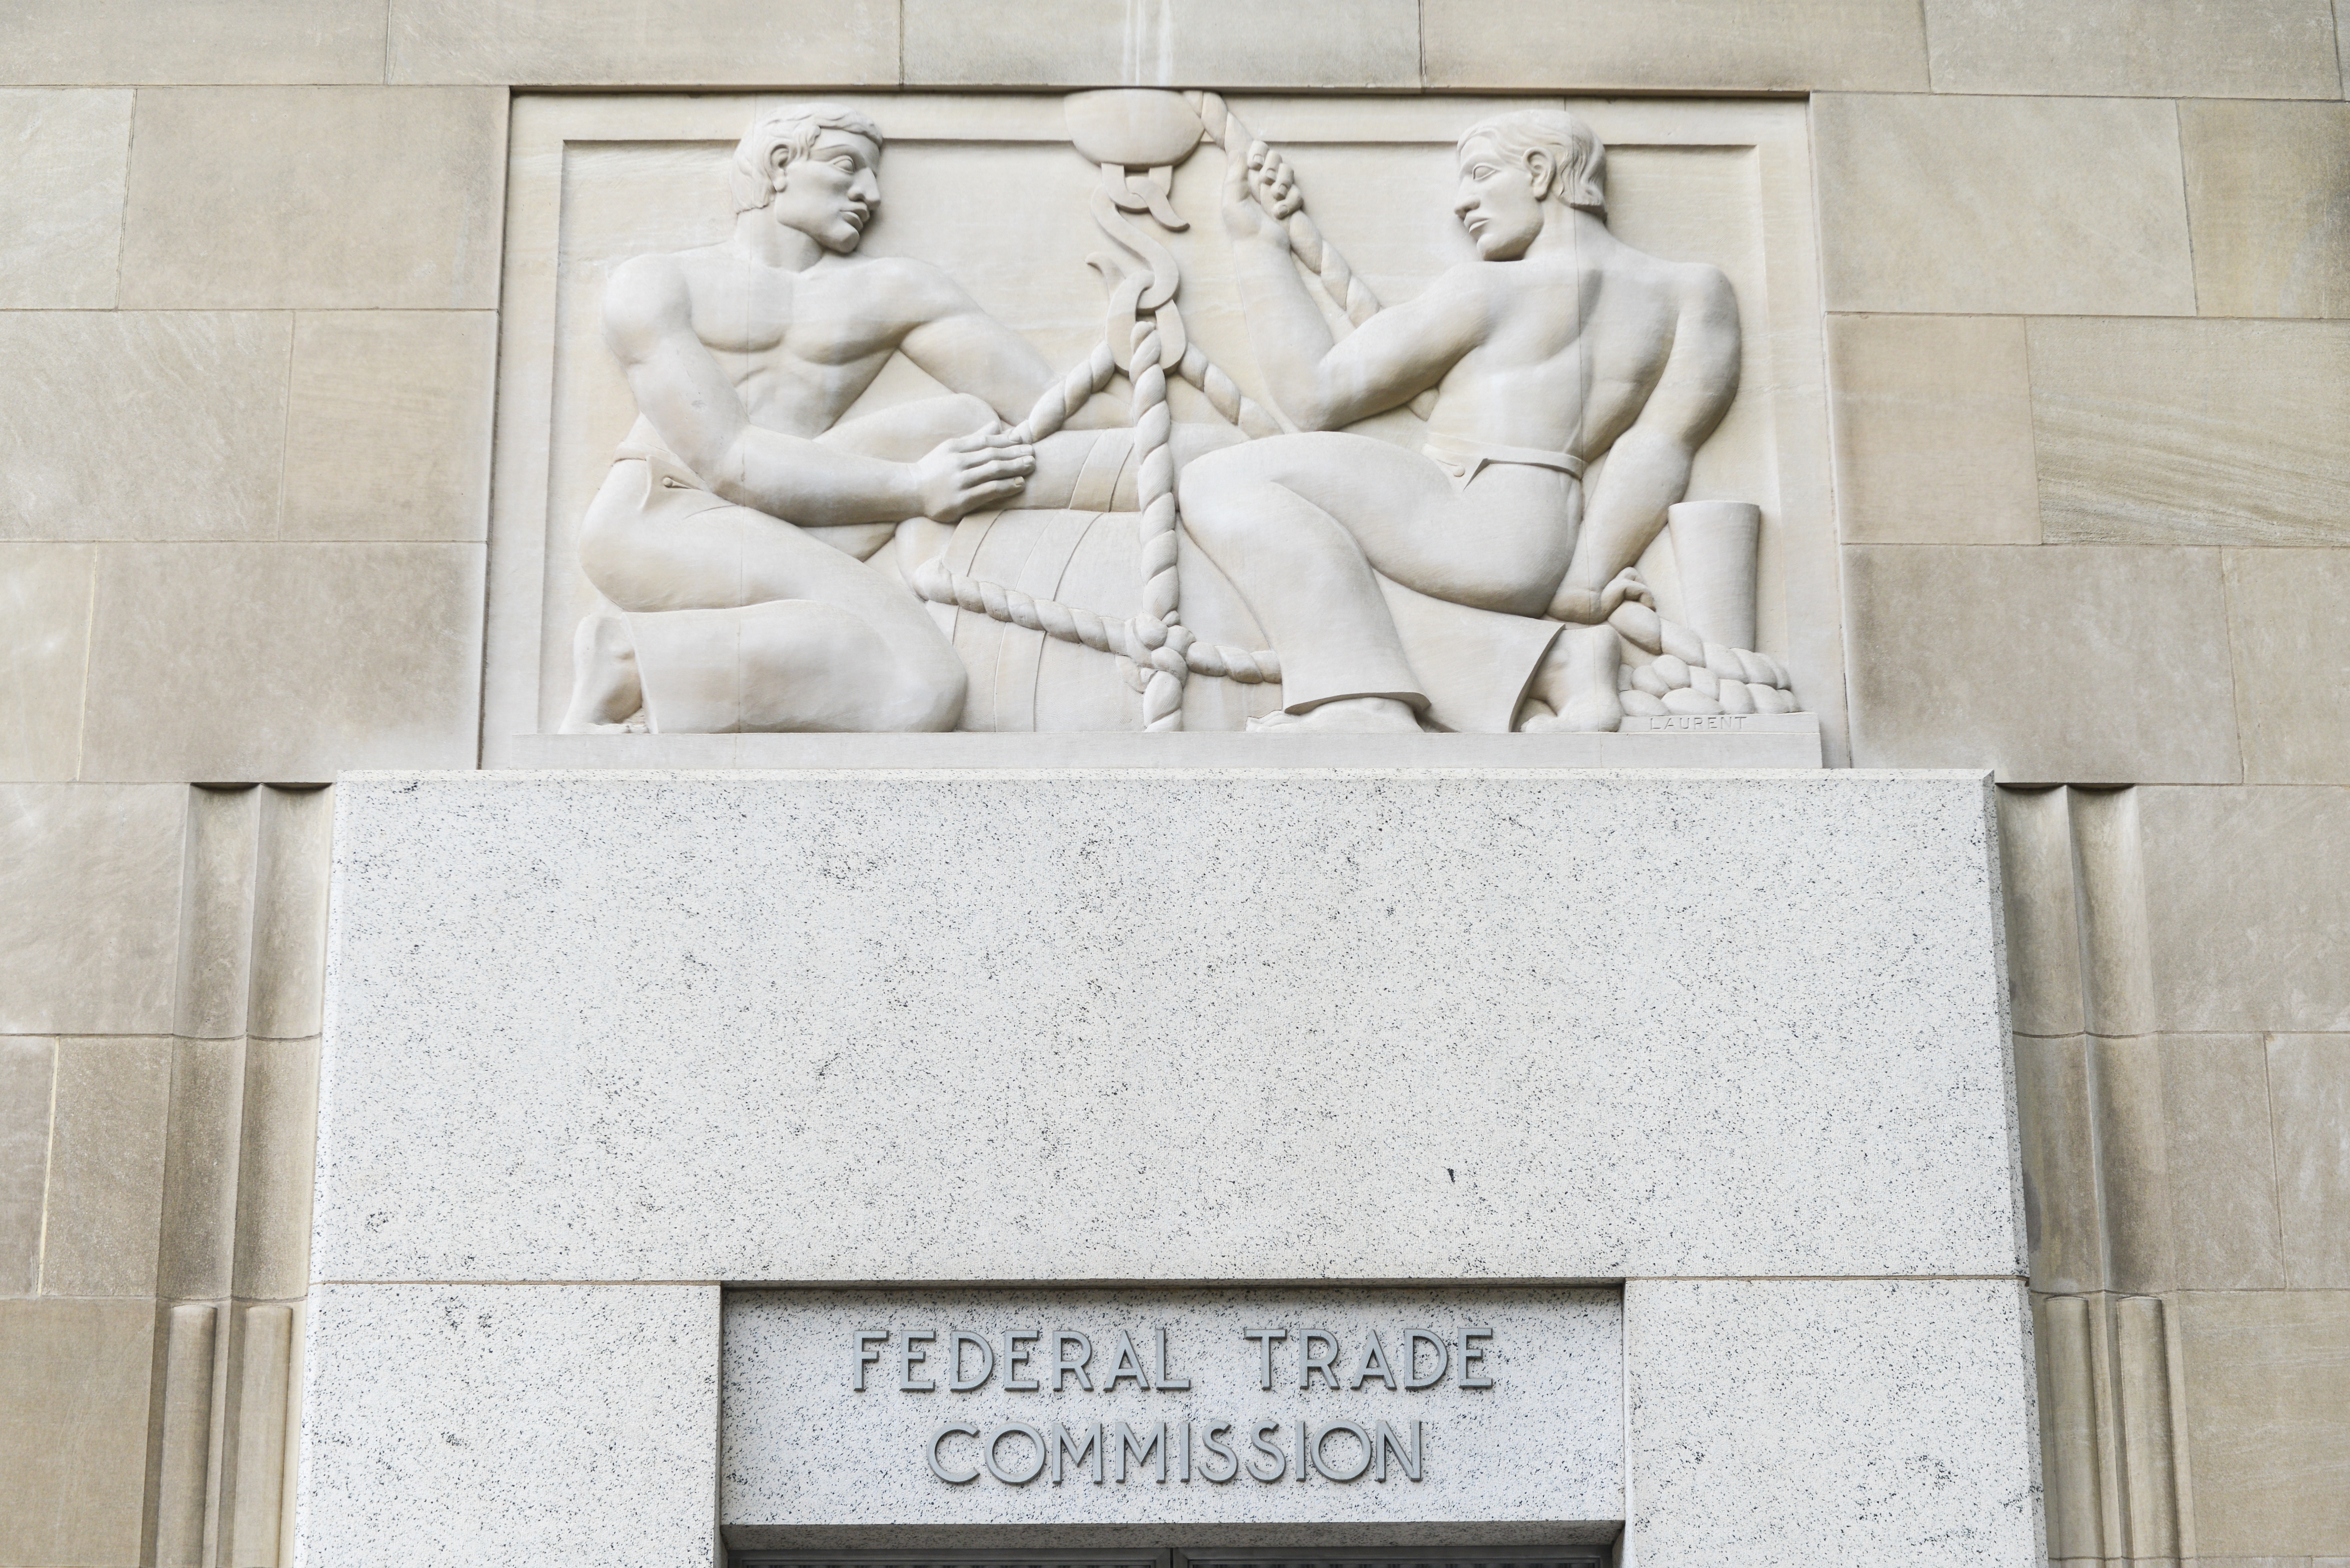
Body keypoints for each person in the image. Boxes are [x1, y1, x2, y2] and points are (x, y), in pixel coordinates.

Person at [562, 102, 1230, 734]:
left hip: (784, 516)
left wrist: (1209, 434)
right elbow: (727, 459)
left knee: (962, 420)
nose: (872, 194)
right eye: (848, 166)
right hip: (665, 515)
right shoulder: (656, 283)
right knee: (923, 683)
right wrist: (917, 488)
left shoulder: (894, 290)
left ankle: (1217, 476)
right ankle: (627, 659)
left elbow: (1055, 410)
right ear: (777, 165)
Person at [1176, 109, 1741, 732]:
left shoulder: (1485, 292)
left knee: (1217, 482)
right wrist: (1585, 573)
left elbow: (1313, 395)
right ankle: (1557, 662)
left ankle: (1362, 704)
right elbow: (1659, 447)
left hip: (1464, 508)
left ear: (1539, 171)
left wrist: (1258, 248)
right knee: (1289, 520)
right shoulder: (1694, 292)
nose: (1460, 203)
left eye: (1478, 174)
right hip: (1544, 533)